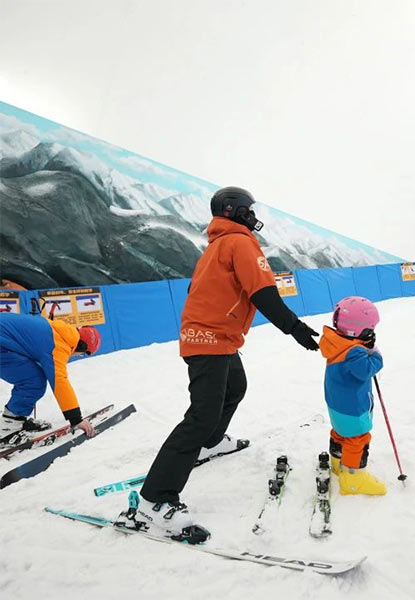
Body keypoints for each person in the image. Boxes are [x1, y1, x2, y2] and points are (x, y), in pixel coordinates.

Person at [121, 186, 320, 540]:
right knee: (201, 416)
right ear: (234, 211)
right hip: (210, 339)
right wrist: (296, 329)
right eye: (249, 209)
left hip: (217, 337)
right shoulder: (239, 242)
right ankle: (154, 502)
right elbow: (263, 293)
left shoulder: (217, 245)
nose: (253, 215)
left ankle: (210, 443)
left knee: (235, 387)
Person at [319, 296, 386, 496]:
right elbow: (367, 369)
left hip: (337, 404)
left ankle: (338, 463)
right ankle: (353, 479)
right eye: (370, 329)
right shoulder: (353, 352)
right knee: (357, 439)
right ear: (360, 330)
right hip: (352, 408)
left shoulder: (336, 342)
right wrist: (374, 352)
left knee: (341, 433)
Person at [0, 312, 99, 440]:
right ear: (82, 347)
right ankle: (8, 429)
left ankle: (16, 419)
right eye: (82, 354)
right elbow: (59, 381)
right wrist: (76, 419)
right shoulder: (59, 346)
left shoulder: (57, 330)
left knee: (34, 376)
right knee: (33, 381)